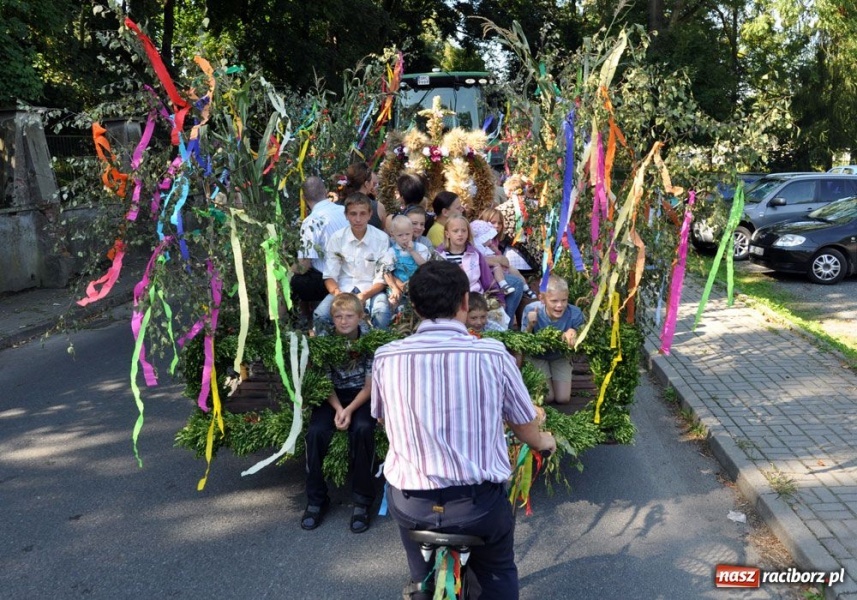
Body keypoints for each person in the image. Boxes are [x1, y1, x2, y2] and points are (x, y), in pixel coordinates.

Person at [371, 261, 556, 600]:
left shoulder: (386, 356)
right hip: (477, 507)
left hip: (412, 504)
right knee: (498, 570)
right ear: (465, 303)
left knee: (420, 572)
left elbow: (383, 420)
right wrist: (546, 441)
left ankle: (420, 585)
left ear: (414, 307)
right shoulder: (492, 354)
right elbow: (527, 429)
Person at [302, 293, 376, 533]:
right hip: (333, 396)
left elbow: (369, 385)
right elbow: (325, 382)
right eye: (338, 317)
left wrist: (350, 409)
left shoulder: (369, 341)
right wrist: (338, 409)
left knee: (363, 429)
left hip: (360, 396)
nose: (344, 321)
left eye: (349, 316)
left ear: (360, 317)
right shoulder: (325, 341)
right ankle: (316, 499)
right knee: (315, 432)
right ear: (332, 319)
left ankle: (362, 501)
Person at [314, 193, 391, 331]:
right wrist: (339, 295)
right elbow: (330, 275)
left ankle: (377, 350)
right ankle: (329, 349)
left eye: (362, 214)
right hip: (343, 289)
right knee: (320, 315)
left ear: (370, 214)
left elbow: (381, 278)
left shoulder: (381, 238)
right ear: (346, 215)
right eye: (353, 214)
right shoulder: (337, 238)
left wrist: (365, 295)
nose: (358, 219)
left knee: (382, 314)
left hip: (371, 290)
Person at [520, 274, 585, 405]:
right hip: (537, 356)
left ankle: (559, 375)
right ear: (542, 299)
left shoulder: (575, 313)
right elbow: (523, 342)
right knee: (547, 397)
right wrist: (530, 326)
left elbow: (584, 343)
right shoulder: (531, 310)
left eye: (564, 300)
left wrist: (575, 333)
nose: (560, 305)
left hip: (560, 356)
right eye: (554, 301)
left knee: (563, 398)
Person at [291, 177, 349, 303]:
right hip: (353, 271)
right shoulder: (345, 210)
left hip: (329, 280)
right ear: (326, 191)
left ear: (304, 198)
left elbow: (304, 266)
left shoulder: (311, 222)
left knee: (287, 281)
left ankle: (284, 320)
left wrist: (288, 270)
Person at [470, 219, 537, 300]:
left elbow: (504, 260)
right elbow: (492, 261)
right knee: (499, 268)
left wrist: (496, 250)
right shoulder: (477, 250)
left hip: (501, 267)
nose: (490, 240)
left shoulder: (489, 247)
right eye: (487, 238)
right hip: (491, 272)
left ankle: (526, 288)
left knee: (514, 270)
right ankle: (504, 285)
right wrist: (497, 259)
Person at [378, 215, 431, 310]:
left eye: (407, 234)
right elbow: (386, 272)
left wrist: (412, 251)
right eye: (400, 235)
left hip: (419, 288)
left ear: (412, 233)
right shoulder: (391, 252)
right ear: (393, 235)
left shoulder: (420, 248)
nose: (404, 238)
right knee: (395, 304)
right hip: (398, 287)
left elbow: (425, 266)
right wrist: (394, 288)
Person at [436, 215, 495, 295]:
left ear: (468, 233)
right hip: (449, 298)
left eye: (464, 231)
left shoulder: (475, 254)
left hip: (474, 297)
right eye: (455, 231)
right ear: (447, 234)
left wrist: (499, 299)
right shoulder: (439, 255)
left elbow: (488, 280)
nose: (460, 234)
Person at [343, 161, 387, 230]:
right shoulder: (378, 207)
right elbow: (384, 232)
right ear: (366, 184)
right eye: (372, 182)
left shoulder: (339, 205)